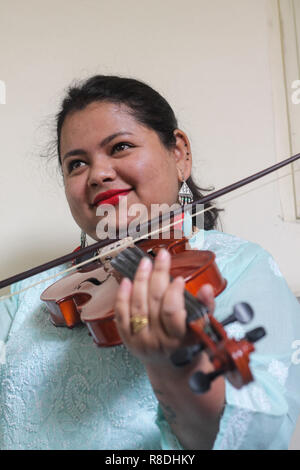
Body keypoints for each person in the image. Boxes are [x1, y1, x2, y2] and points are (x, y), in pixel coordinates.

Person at [0, 75, 300, 450]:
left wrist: (172, 366)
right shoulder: (34, 297)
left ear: (179, 154)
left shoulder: (237, 269)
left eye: (121, 146)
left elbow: (255, 439)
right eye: (76, 164)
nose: (98, 174)